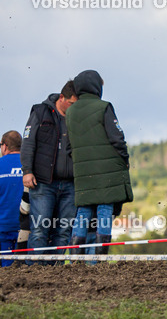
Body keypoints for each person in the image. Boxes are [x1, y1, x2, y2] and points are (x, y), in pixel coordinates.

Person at [65, 70, 133, 257]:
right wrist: (124, 159)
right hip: (107, 172)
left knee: (83, 211)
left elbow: (69, 146)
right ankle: (99, 260)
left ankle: (75, 258)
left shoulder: (70, 112)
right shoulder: (104, 107)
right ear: (96, 86)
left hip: (83, 171)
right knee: (104, 209)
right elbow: (117, 138)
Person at [21, 80, 78, 261]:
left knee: (64, 230)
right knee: (39, 228)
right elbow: (28, 143)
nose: (73, 108)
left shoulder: (76, 118)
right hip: (44, 183)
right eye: (71, 104)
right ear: (62, 98)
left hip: (70, 184)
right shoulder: (40, 112)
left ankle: (55, 272)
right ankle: (36, 272)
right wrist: (27, 170)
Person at [1, 131, 24, 267]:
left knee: (6, 269)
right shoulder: (30, 166)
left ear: (5, 146)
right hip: (25, 228)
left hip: (2, 227)